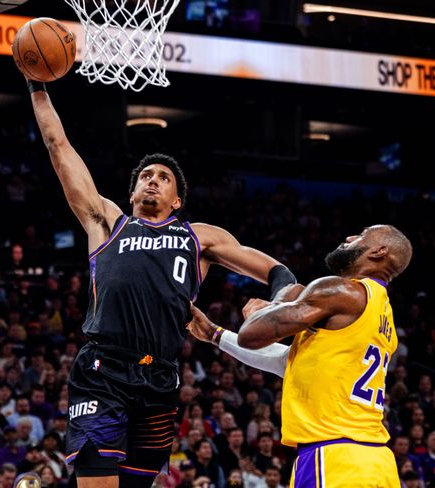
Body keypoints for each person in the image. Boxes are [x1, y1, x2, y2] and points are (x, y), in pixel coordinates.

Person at [22, 77, 296, 488]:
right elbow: (58, 147)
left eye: (163, 178)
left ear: (177, 200)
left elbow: (277, 272)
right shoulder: (107, 222)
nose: (152, 179)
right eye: (146, 175)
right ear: (132, 191)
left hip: (160, 377)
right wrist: (36, 85)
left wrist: (278, 302)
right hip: (102, 370)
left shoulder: (200, 237)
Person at [187, 224, 413, 487]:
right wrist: (214, 334)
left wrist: (269, 306)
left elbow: (251, 334)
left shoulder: (342, 291)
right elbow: (290, 363)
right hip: (376, 462)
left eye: (362, 235)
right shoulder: (384, 319)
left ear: (379, 251)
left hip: (335, 458)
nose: (350, 237)